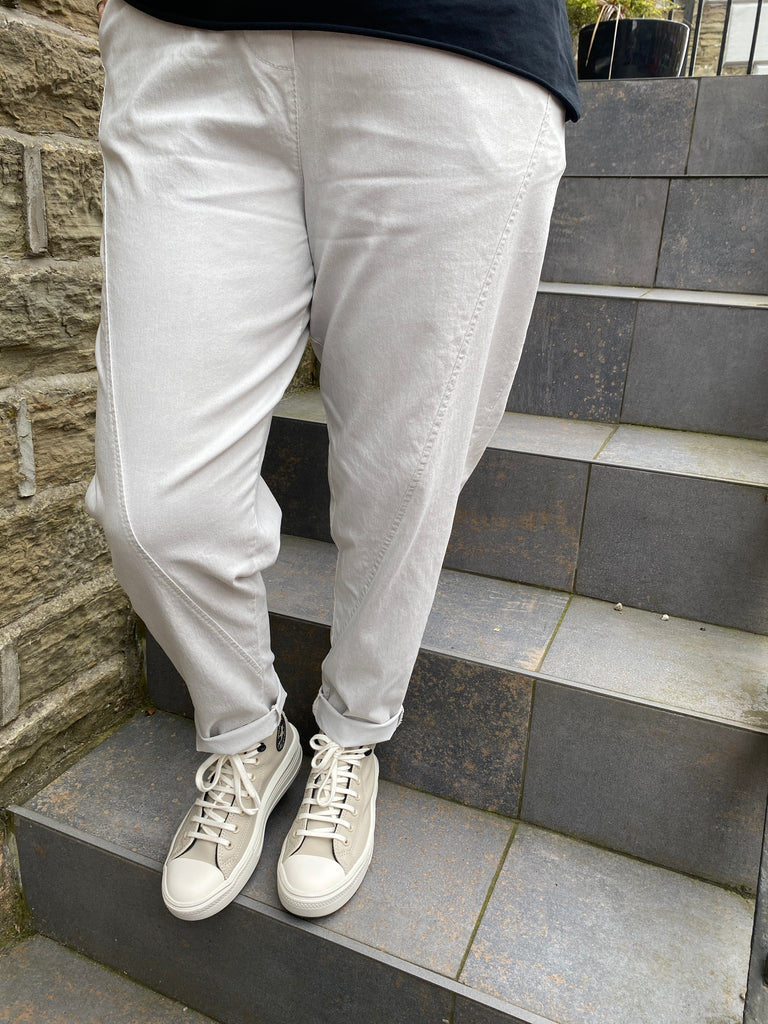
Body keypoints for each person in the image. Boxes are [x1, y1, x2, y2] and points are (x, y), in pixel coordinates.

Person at [88, 0, 580, 921]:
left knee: (406, 475)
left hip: (458, 46)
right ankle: (248, 732)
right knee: (151, 506)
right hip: (188, 45)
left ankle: (350, 735)